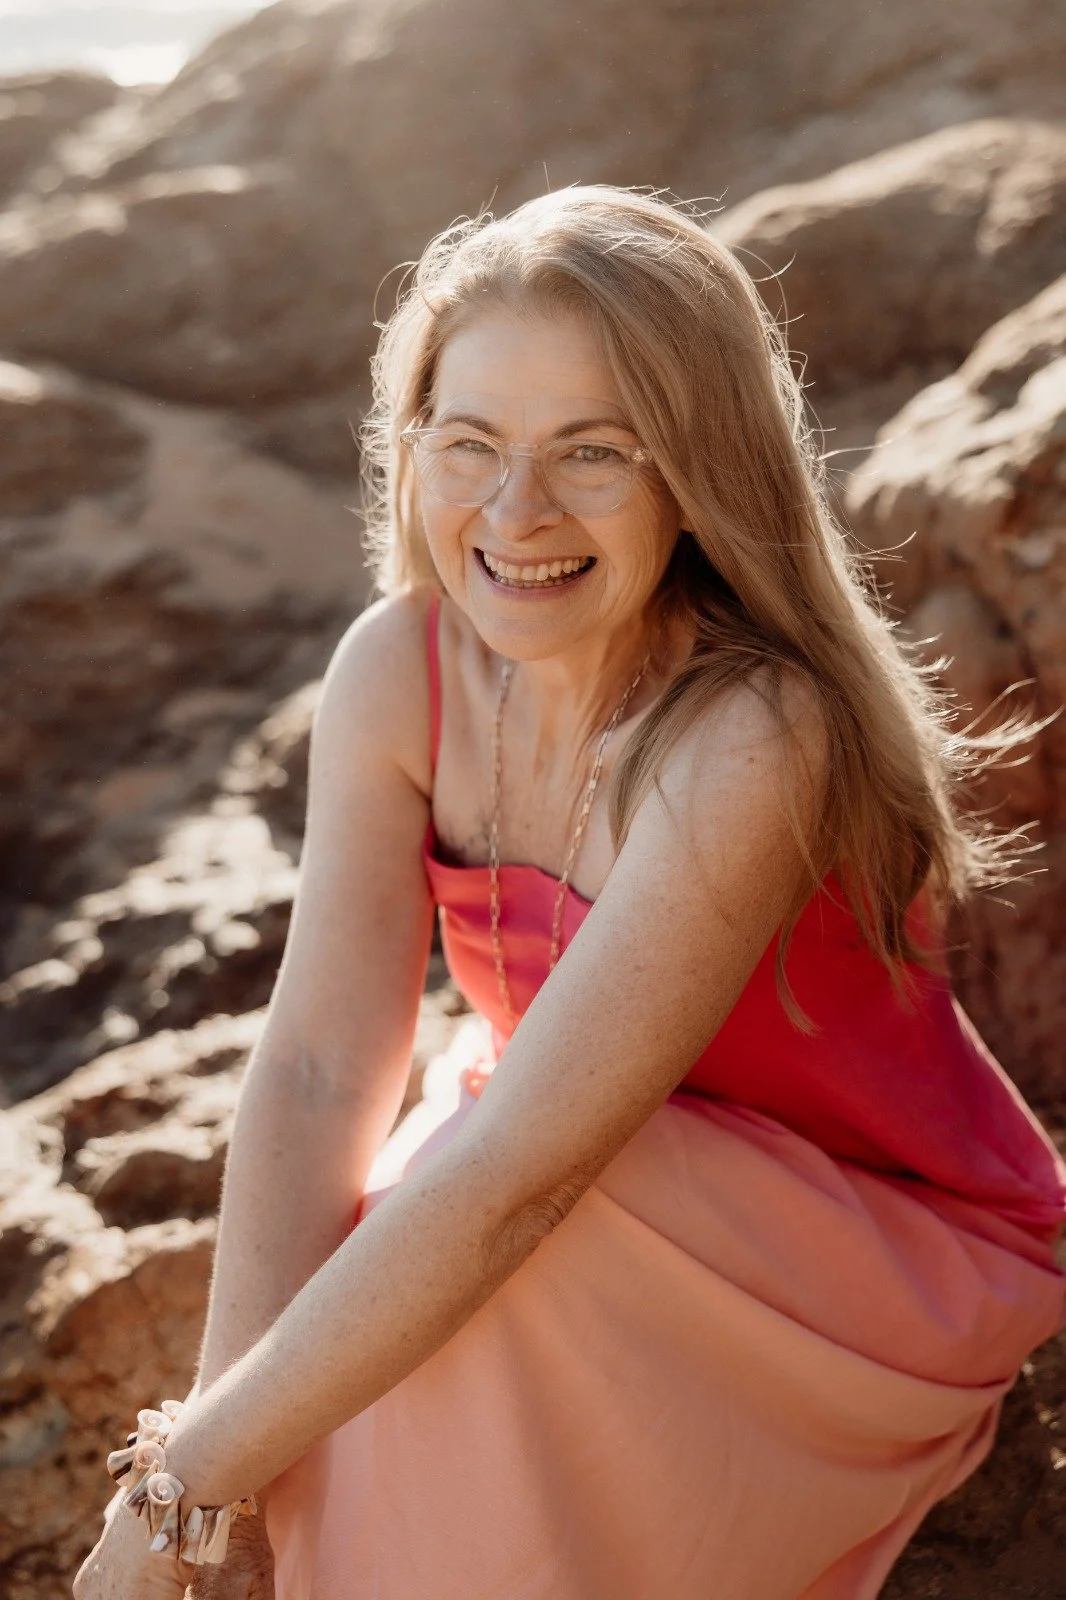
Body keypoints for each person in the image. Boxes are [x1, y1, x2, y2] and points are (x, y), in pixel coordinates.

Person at [74, 187, 1066, 1600]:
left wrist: (183, 1487)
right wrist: (214, 1457)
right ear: (407, 447)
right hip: (572, 1147)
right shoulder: (397, 666)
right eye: (467, 444)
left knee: (456, 1247)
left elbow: (517, 1190)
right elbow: (309, 1066)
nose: (514, 511)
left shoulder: (751, 731)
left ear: (697, 470)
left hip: (862, 1245)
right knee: (386, 1279)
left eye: (591, 452)